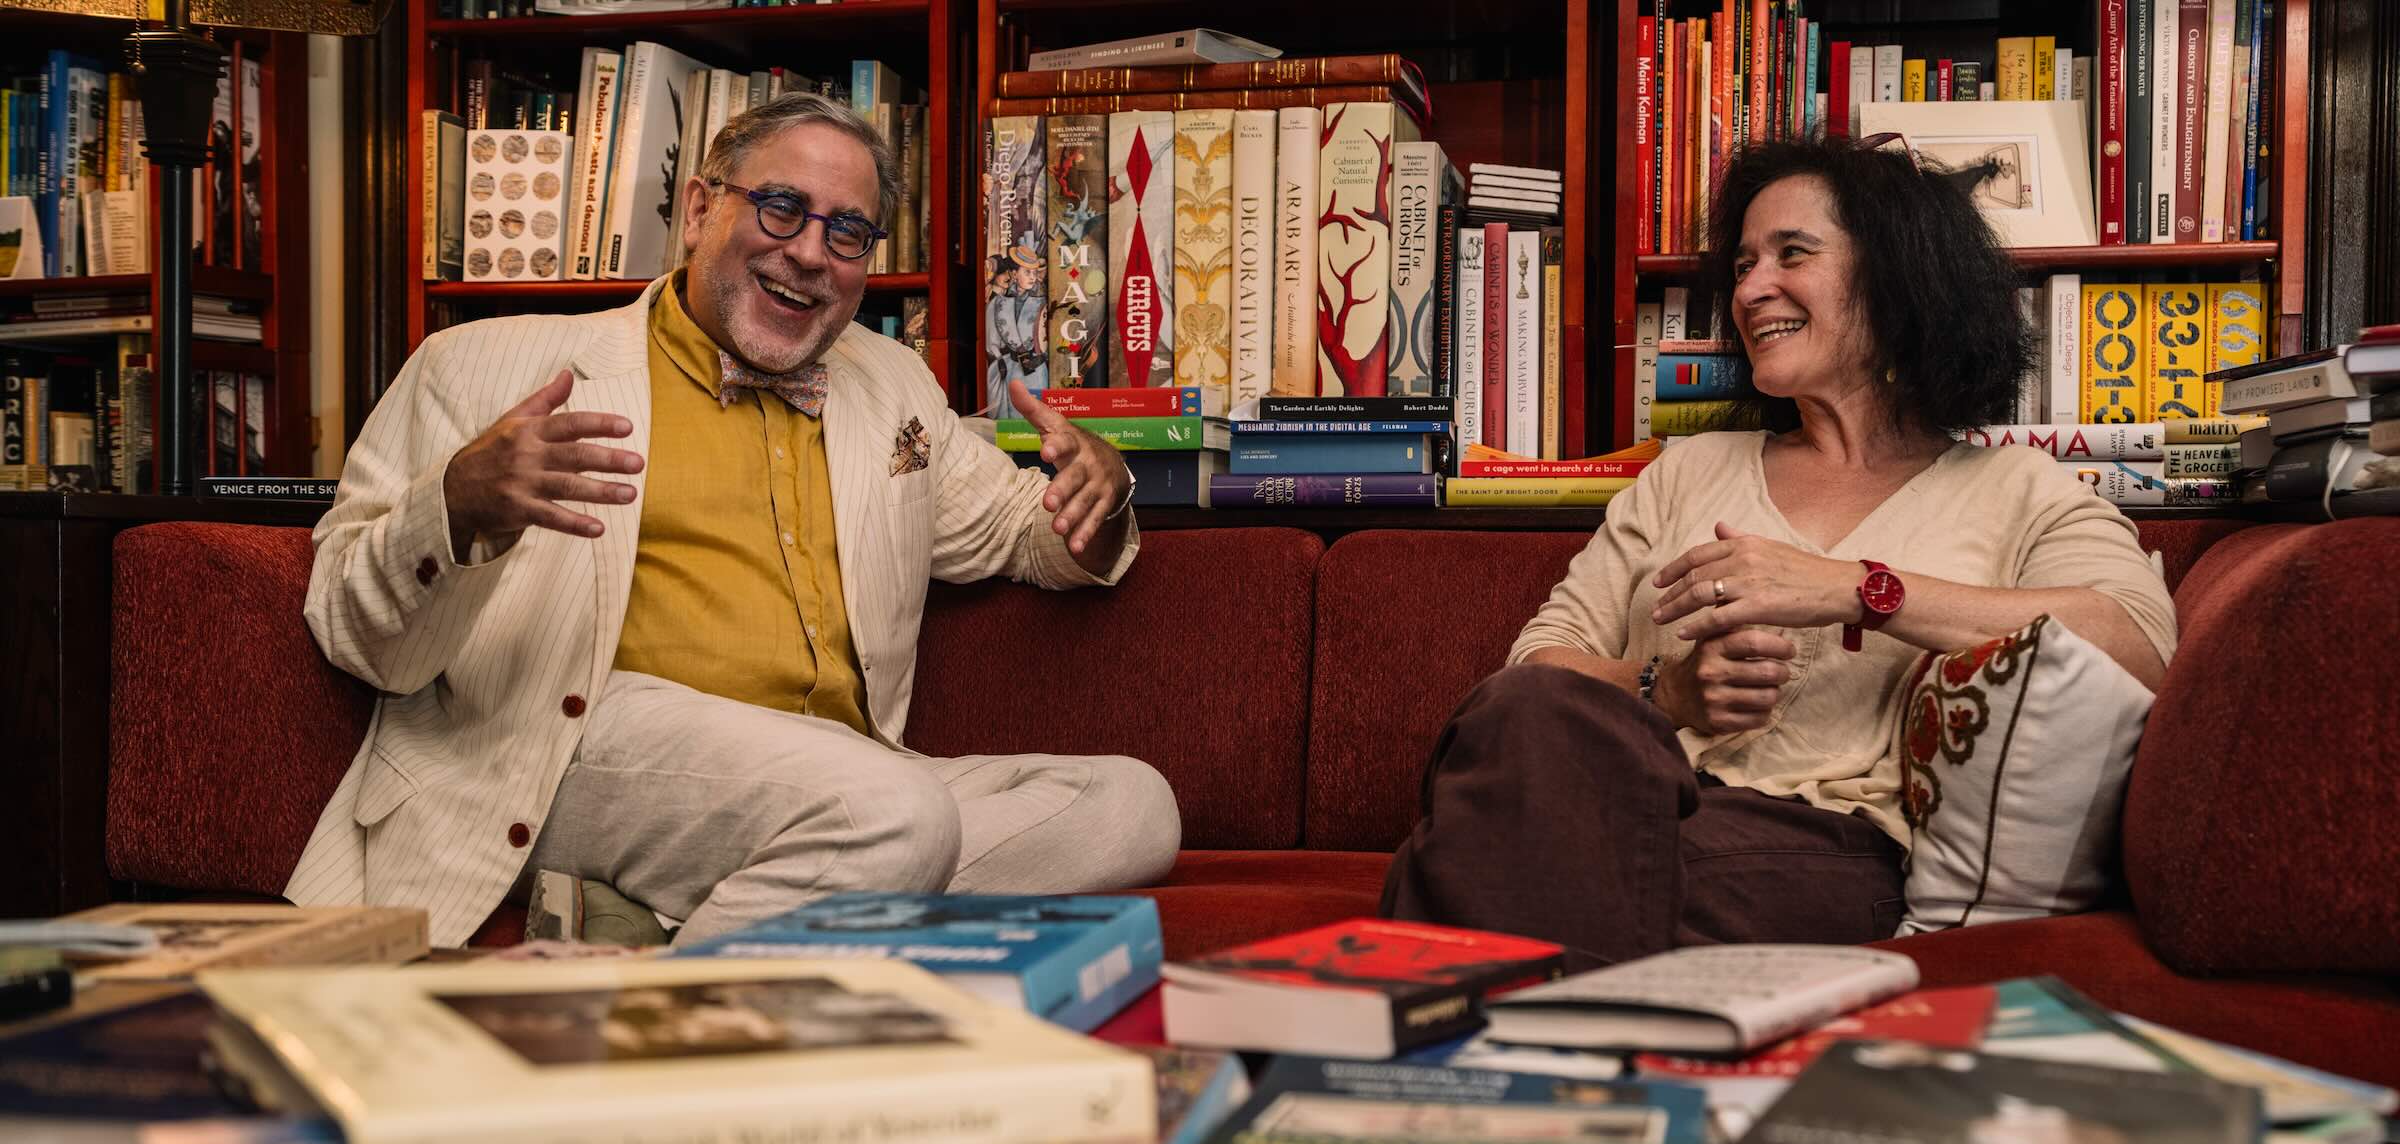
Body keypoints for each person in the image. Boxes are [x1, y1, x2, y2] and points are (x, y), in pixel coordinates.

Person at [286, 92, 1180, 949]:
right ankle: (691, 1028)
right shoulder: (479, 365)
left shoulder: (892, 382)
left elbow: (1028, 533)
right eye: (783, 208)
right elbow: (354, 631)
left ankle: (742, 907)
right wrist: (456, 506)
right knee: (890, 813)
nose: (810, 253)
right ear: (701, 207)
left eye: (847, 231)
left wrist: (1101, 492)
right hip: (567, 745)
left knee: (1134, 805)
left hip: (839, 774)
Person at [1381, 137, 2176, 969]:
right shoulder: (1687, 470)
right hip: (1631, 802)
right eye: (1743, 265)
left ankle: (1432, 1034)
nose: (1752, 288)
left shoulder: (2019, 488)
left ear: (1900, 275)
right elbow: (1538, 671)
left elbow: (2138, 647)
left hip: (1823, 850)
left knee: (1471, 866)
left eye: (1792, 254)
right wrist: (1668, 690)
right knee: (1519, 717)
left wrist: (1857, 588)